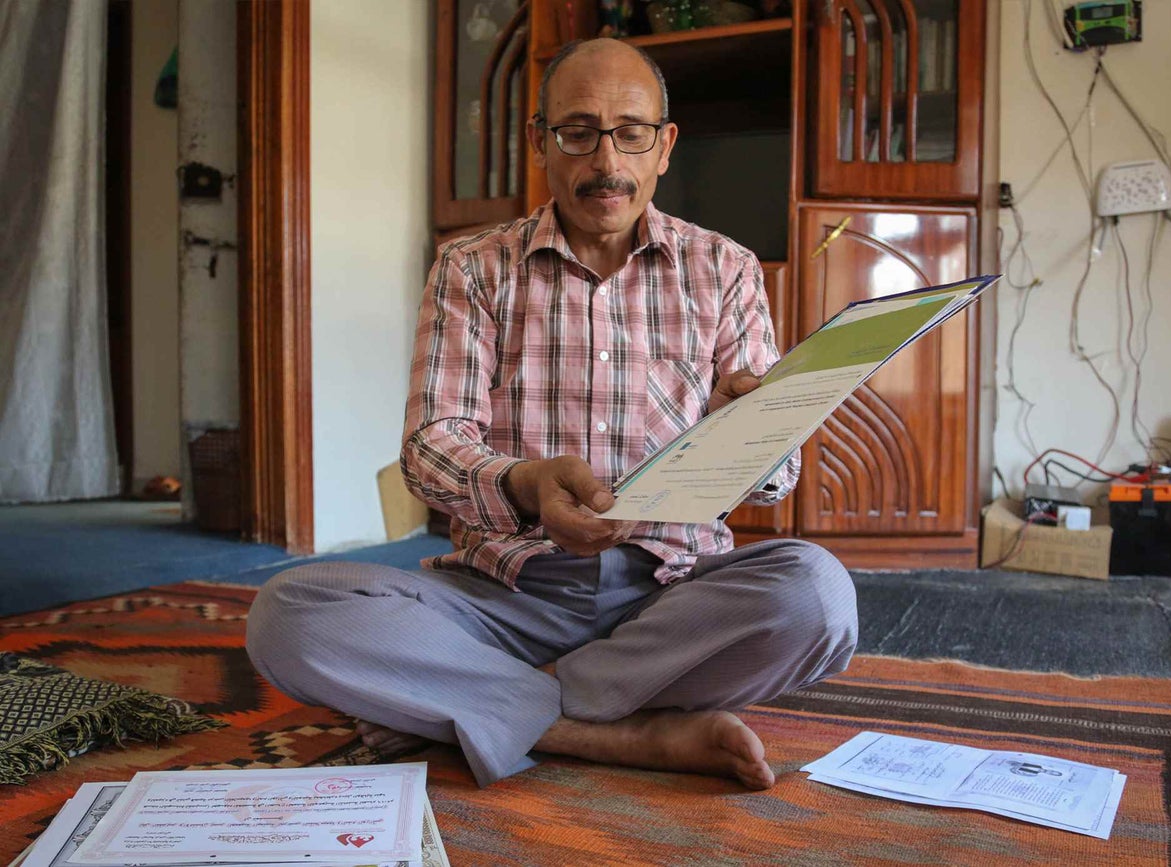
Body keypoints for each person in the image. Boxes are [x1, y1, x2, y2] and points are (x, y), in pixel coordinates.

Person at [246, 37, 857, 792]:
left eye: (631, 133)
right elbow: (429, 449)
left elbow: (777, 480)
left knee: (817, 594)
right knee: (290, 612)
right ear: (541, 144)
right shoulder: (472, 267)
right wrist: (526, 486)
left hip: (674, 601)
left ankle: (484, 700)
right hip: (502, 596)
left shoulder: (726, 269)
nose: (607, 162)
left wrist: (752, 431)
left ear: (664, 147)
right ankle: (616, 732)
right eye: (578, 132)